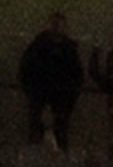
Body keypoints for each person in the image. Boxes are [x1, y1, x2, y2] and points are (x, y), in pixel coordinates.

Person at [19, 13, 83, 143]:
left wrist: (70, 95)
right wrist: (32, 91)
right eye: (54, 24)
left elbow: (77, 75)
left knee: (60, 132)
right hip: (40, 96)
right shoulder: (37, 46)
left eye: (59, 25)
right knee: (37, 133)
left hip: (61, 99)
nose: (56, 28)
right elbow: (25, 70)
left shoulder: (69, 49)